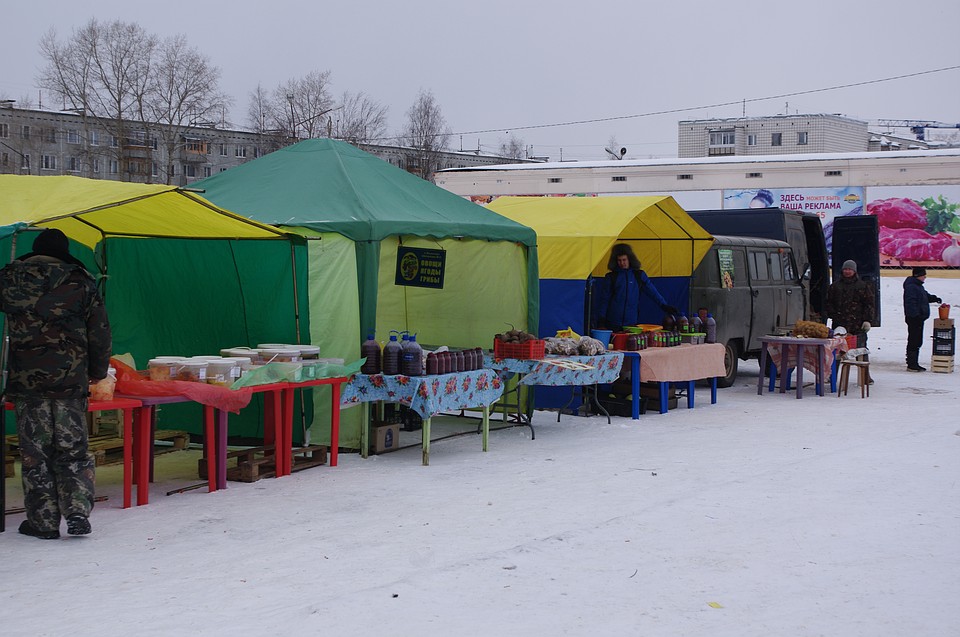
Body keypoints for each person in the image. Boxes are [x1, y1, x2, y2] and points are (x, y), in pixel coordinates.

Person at [0, 229, 112, 539]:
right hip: (70, 381)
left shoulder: (10, 279)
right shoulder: (81, 282)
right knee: (72, 449)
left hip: (27, 383)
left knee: (35, 454)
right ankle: (76, 511)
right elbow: (100, 330)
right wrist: (98, 371)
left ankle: (44, 523)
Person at [594, 243, 677, 331]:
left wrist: (664, 305)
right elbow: (604, 300)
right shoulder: (611, 277)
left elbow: (653, 293)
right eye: (619, 260)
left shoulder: (639, 275)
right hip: (613, 323)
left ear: (630, 259)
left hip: (631, 323)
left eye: (624, 260)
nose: (622, 263)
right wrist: (601, 321)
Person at [825, 259, 876, 348]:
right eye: (845, 269)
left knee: (859, 347)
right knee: (838, 347)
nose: (847, 271)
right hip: (839, 323)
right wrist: (834, 315)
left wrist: (867, 320)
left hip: (858, 324)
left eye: (850, 269)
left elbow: (869, 304)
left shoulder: (862, 286)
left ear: (854, 271)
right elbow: (829, 302)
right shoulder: (835, 286)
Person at [903, 267, 942, 372]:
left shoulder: (918, 286)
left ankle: (913, 363)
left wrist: (934, 298)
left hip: (918, 318)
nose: (925, 277)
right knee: (914, 340)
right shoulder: (912, 287)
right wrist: (915, 315)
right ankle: (912, 364)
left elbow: (924, 296)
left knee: (917, 340)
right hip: (914, 318)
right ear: (918, 276)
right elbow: (910, 302)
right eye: (923, 275)